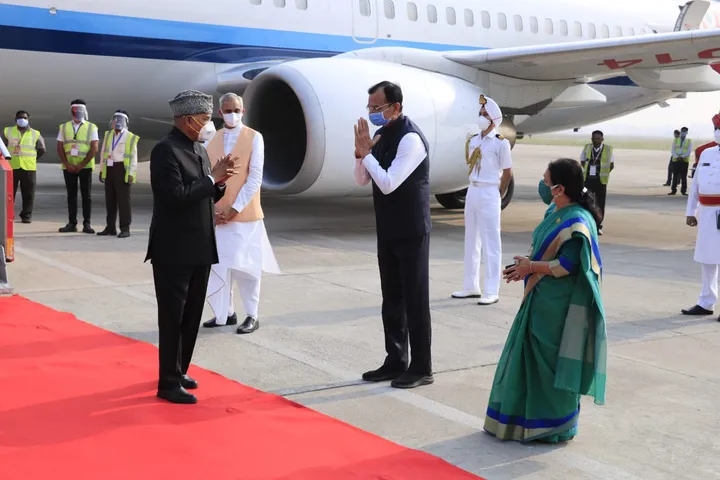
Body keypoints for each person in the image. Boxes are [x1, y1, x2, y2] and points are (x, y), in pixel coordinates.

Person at [485, 158, 607, 443]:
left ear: (560, 188)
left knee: (548, 364)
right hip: (540, 298)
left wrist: (531, 268)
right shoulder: (557, 210)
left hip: (558, 305)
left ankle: (553, 425)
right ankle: (523, 421)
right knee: (530, 363)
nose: (542, 184)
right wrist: (524, 268)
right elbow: (542, 252)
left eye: (546, 180)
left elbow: (567, 266)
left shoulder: (578, 221)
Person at [145, 90, 238, 404]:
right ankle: (167, 383)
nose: (207, 124)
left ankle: (180, 369)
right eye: (203, 119)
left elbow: (206, 195)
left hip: (200, 246)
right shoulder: (165, 151)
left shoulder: (198, 150)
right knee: (172, 317)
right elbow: (174, 196)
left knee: (191, 315)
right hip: (173, 249)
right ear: (187, 120)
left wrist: (219, 184)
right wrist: (213, 180)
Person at [353, 81, 433, 389]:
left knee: (415, 299)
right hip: (387, 228)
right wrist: (361, 155)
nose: (372, 113)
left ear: (395, 108)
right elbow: (362, 179)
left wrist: (366, 154)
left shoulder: (411, 139)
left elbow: (388, 182)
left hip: (411, 230)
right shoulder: (380, 135)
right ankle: (396, 359)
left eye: (377, 108)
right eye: (369, 108)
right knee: (392, 299)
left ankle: (422, 366)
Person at [203, 93, 280, 333]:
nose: (232, 114)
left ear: (243, 111)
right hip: (218, 216)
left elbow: (255, 177)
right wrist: (214, 208)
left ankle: (252, 315)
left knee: (246, 267)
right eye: (227, 110)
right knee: (220, 266)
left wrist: (235, 208)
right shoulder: (211, 140)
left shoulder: (254, 138)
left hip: (245, 216)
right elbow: (206, 177)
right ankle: (225, 313)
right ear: (220, 113)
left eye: (236, 110)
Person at [452, 94, 512, 305]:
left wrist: (499, 193)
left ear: (494, 119)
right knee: (471, 239)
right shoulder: (474, 140)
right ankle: (470, 286)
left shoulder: (500, 143)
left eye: (485, 114)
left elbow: (507, 172)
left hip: (489, 191)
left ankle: (491, 290)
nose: (481, 117)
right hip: (473, 190)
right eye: (480, 113)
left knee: (490, 242)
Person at [680, 114, 720, 321]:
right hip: (706, 213)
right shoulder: (707, 153)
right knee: (707, 258)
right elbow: (695, 185)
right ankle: (706, 302)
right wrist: (690, 211)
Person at [57, 99, 99, 234]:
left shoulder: (92, 127)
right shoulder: (64, 127)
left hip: (85, 167)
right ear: (71, 111)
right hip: (68, 166)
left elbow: (94, 148)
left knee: (86, 196)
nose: (78, 113)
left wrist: (81, 164)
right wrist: (66, 163)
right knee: (71, 195)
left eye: (80, 110)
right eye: (75, 110)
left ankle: (87, 223)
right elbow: (59, 147)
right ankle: (72, 223)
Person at [97, 110, 139, 238]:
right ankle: (110, 227)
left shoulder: (130, 137)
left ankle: (125, 228)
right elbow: (103, 152)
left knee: (123, 201)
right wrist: (101, 169)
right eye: (115, 120)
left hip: (122, 169)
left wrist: (131, 173)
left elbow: (133, 156)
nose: (116, 123)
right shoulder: (108, 135)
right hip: (109, 168)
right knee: (110, 200)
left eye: (119, 120)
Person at [2, 110, 45, 224]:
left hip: (29, 167)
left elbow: (42, 149)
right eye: (20, 117)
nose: (22, 120)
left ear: (28, 119)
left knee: (29, 193)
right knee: (9, 193)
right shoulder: (8, 131)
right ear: (15, 119)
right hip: (12, 166)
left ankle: (26, 215)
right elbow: (2, 147)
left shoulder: (35, 133)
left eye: (25, 118)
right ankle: (8, 214)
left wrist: (34, 159)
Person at [579, 130, 614, 235]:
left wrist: (602, 173)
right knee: (587, 201)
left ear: (602, 139)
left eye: (598, 139)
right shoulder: (587, 148)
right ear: (591, 139)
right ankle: (586, 224)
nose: (596, 141)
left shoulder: (608, 150)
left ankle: (598, 226)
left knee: (599, 204)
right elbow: (582, 161)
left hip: (601, 181)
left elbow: (611, 165)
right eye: (594, 139)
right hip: (588, 180)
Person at [669, 126, 692, 196]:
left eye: (684, 132)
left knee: (683, 176)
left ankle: (683, 191)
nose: (683, 133)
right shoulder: (676, 140)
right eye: (682, 131)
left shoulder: (689, 141)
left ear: (687, 133)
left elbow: (689, 150)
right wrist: (677, 156)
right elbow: (672, 150)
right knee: (675, 176)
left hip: (684, 161)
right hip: (676, 160)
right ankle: (673, 190)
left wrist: (682, 156)